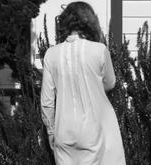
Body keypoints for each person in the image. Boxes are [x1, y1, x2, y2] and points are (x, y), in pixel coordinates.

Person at [40, 1, 126, 165]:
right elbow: (110, 83)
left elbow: (47, 101)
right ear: (90, 22)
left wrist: (51, 131)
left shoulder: (51, 54)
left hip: (63, 130)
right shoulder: (99, 50)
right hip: (94, 130)